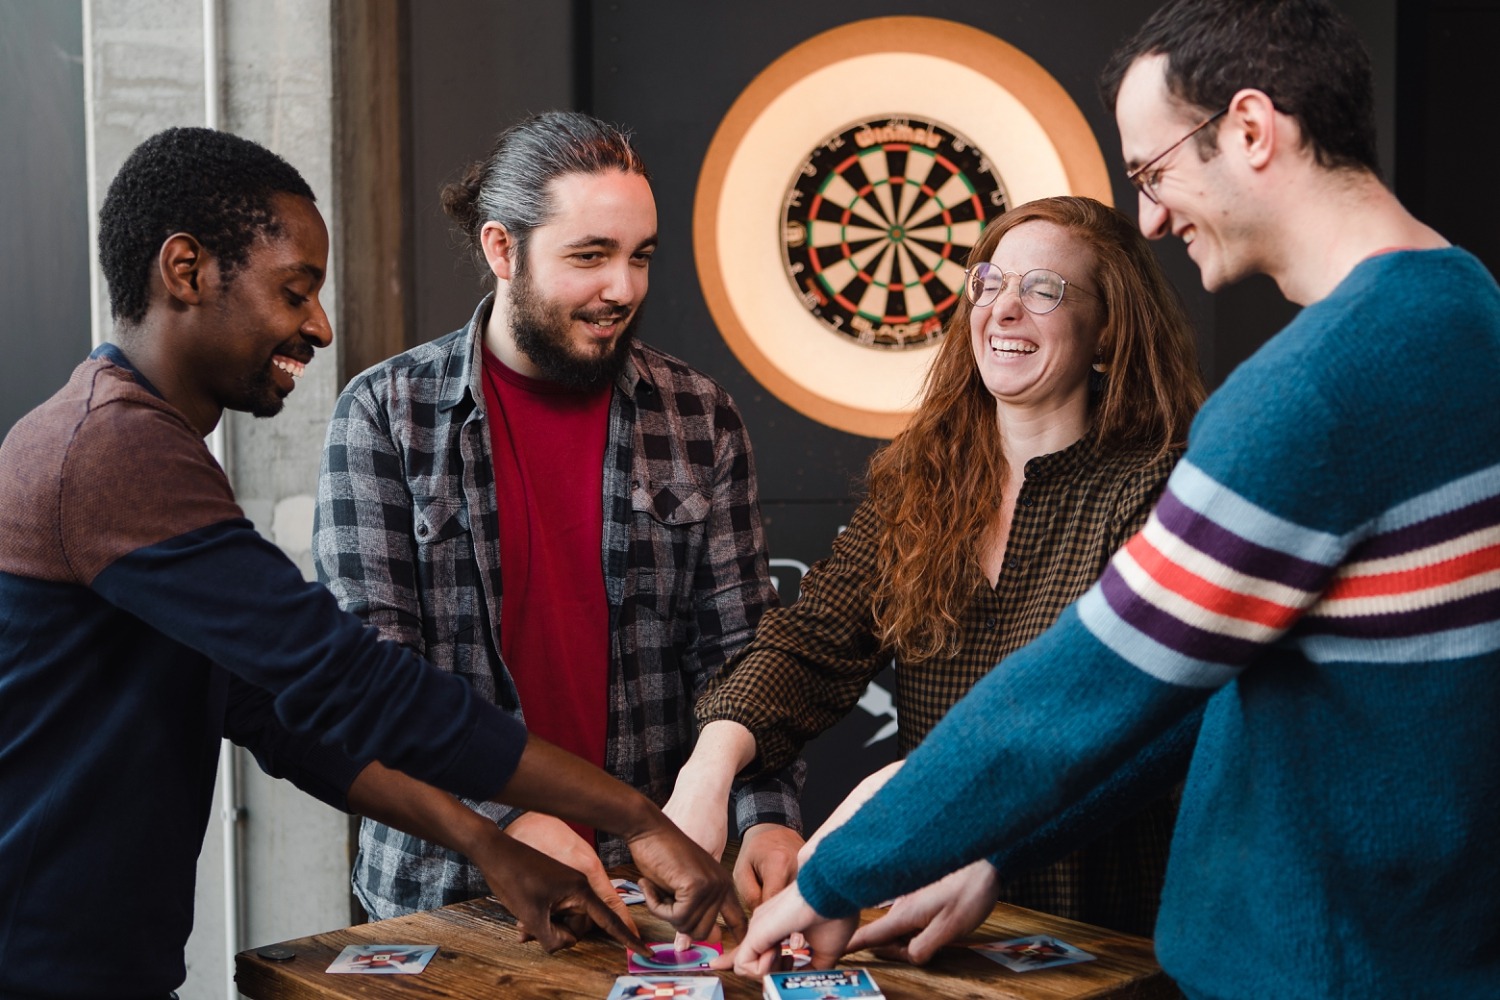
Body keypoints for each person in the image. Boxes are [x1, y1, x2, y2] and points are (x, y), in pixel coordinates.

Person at [724, 1, 1500, 996]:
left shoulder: (1305, 394)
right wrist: (989, 847)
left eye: (1153, 171)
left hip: (1321, 966)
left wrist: (836, 871)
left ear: (1253, 130)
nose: (1153, 218)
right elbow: (1194, 690)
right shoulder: (1467, 307)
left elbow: (1094, 690)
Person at [0, 126, 745, 1000]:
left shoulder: (144, 442)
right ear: (185, 270)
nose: (317, 325)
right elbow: (353, 678)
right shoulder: (111, 448)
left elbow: (278, 711)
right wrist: (635, 814)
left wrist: (487, 845)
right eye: (295, 290)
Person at [666, 194, 1205, 939]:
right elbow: (810, 644)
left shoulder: (1161, 487)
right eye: (990, 283)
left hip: (1103, 926)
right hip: (926, 921)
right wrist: (708, 767)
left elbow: (1116, 721)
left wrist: (896, 802)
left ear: (1107, 330)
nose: (1005, 309)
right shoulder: (924, 478)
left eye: (1044, 290)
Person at [313, 111, 804, 923]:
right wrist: (509, 820)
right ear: (502, 250)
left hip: (657, 892)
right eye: (590, 256)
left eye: (640, 256)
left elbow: (741, 657)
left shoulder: (698, 417)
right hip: (448, 891)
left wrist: (766, 818)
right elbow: (375, 682)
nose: (623, 288)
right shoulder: (387, 415)